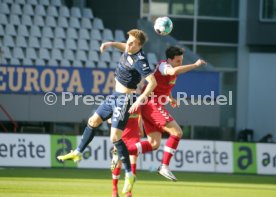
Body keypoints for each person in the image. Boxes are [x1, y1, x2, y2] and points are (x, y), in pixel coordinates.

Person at [57, 29, 157, 194]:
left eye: (132, 43)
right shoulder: (129, 48)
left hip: (125, 98)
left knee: (114, 137)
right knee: (93, 121)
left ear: (139, 45)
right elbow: (123, 45)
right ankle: (77, 152)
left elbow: (152, 82)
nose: (128, 45)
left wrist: (139, 100)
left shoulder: (141, 60)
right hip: (114, 96)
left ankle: (130, 174)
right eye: (128, 41)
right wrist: (110, 44)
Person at [126, 46, 206, 181]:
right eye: (178, 61)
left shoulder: (167, 70)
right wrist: (195, 65)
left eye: (181, 61)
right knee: (177, 132)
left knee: (154, 144)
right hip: (151, 104)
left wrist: (170, 97)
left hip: (151, 105)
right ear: (169, 60)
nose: (180, 63)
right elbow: (172, 71)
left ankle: (121, 151)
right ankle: (164, 166)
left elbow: (165, 84)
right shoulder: (164, 66)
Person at [109, 107, 143, 197]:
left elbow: (140, 116)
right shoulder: (118, 104)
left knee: (133, 163)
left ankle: (129, 192)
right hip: (121, 137)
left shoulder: (137, 104)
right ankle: (114, 189)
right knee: (118, 163)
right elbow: (109, 120)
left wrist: (141, 129)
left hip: (134, 136)